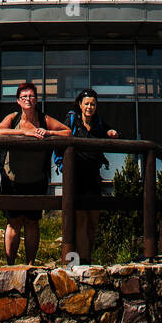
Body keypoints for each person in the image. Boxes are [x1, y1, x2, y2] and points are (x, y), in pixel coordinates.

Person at [0, 81, 70, 266]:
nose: (28, 99)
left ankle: (30, 264)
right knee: (13, 222)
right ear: (18, 101)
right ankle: (10, 264)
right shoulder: (12, 118)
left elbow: (67, 132)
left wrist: (49, 132)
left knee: (32, 222)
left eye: (31, 96)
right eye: (24, 97)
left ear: (36, 100)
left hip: (36, 179)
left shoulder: (44, 119)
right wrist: (24, 134)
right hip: (12, 179)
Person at [70, 88, 118, 264]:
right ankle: (83, 260)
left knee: (93, 220)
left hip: (94, 176)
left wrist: (112, 132)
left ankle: (87, 256)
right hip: (77, 175)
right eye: (87, 104)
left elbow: (109, 131)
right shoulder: (73, 120)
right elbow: (63, 133)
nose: (89, 107)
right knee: (81, 218)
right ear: (80, 105)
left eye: (93, 104)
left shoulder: (98, 122)